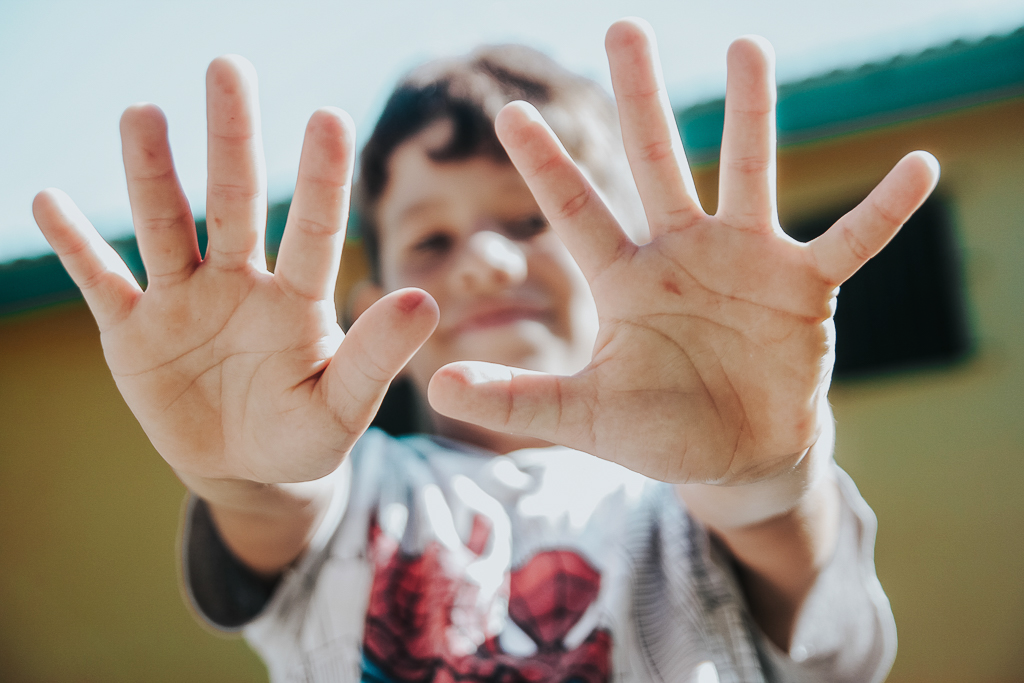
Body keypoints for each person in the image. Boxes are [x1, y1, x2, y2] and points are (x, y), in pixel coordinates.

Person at [32, 17, 938, 683]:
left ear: (632, 259)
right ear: (361, 310)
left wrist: (761, 473)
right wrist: (244, 475)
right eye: (430, 242)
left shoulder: (691, 506)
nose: (489, 262)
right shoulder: (361, 498)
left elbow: (826, 633)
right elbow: (279, 515)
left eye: (530, 219)